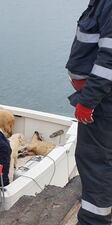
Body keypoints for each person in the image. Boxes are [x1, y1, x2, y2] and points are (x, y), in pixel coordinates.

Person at [66, 1, 112, 224]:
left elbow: (109, 61)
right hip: (102, 99)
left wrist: (88, 101)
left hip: (103, 103)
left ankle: (93, 221)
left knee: (95, 162)